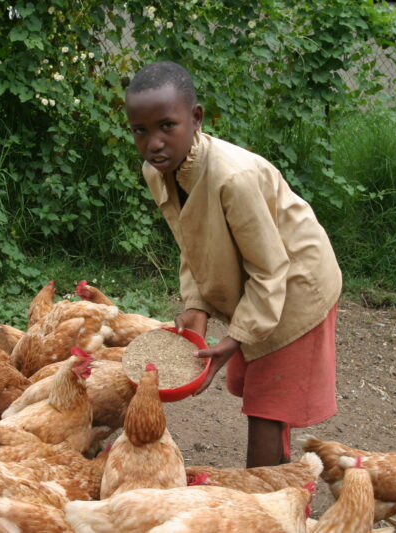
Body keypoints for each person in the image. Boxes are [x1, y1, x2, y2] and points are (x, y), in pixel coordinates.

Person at [125, 61, 342, 467]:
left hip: (296, 284)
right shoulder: (157, 172)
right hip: (263, 284)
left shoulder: (232, 178)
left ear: (196, 118)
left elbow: (271, 268)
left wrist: (236, 337)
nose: (153, 143)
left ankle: (265, 503)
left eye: (166, 126)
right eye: (140, 130)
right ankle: (269, 493)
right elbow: (191, 242)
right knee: (259, 383)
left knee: (269, 407)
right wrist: (196, 307)